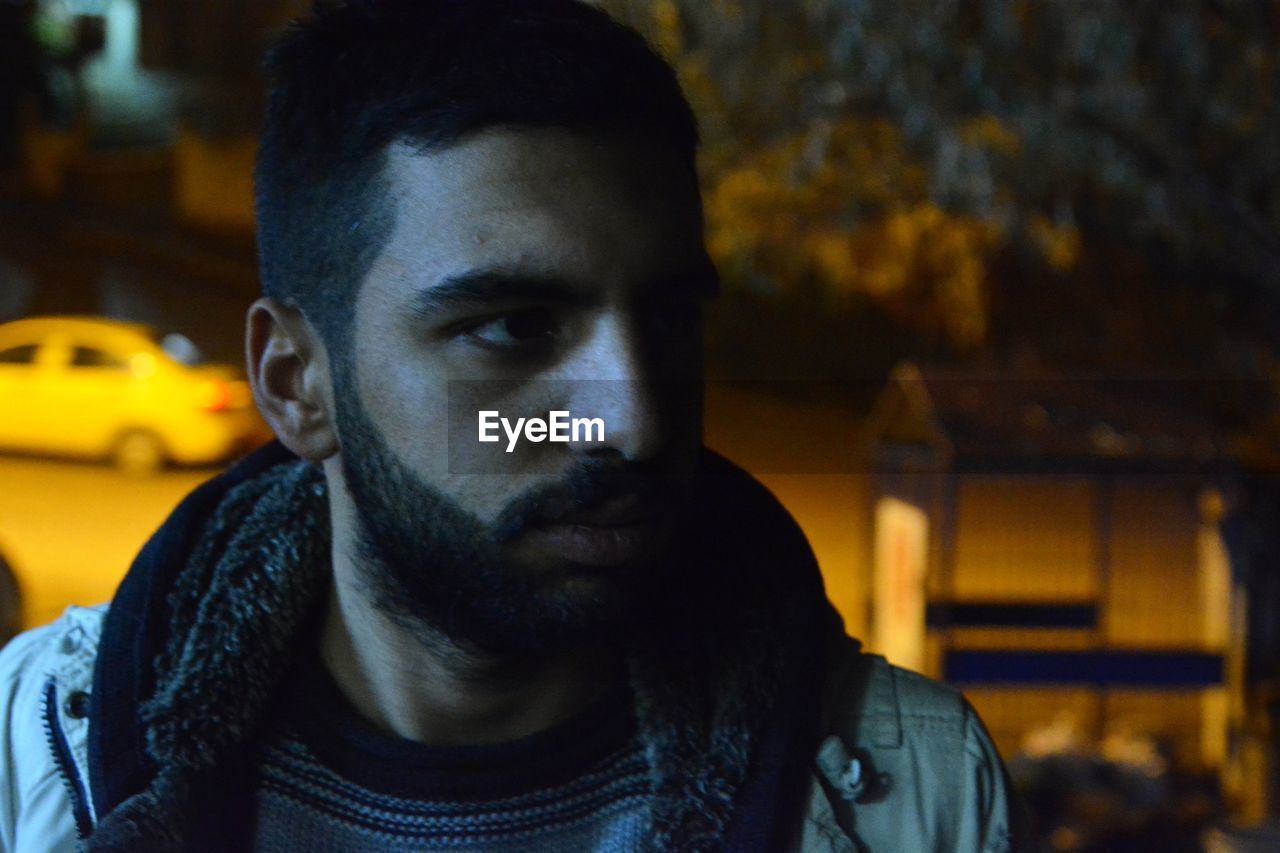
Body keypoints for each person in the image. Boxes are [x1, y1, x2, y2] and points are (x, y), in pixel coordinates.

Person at [0, 1, 1028, 850]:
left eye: (667, 319)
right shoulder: (31, 757)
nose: (629, 417)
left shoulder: (911, 791)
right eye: (513, 328)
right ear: (296, 381)